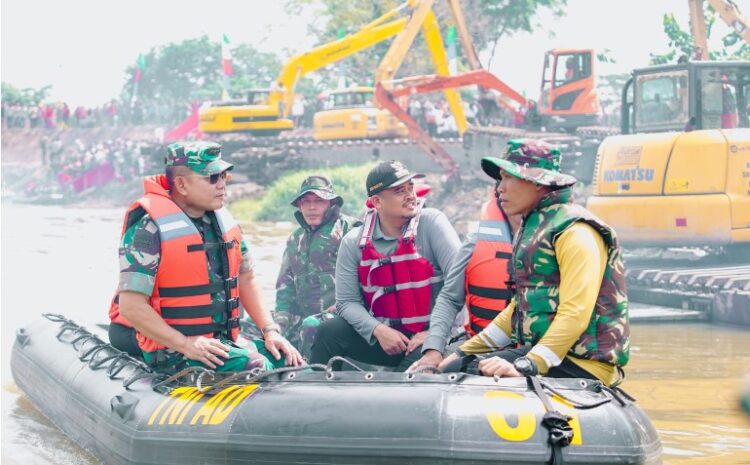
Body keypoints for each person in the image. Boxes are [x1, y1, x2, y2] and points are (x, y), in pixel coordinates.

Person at [440, 139, 630, 387]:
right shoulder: (533, 228)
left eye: (509, 178)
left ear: (539, 184)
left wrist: (527, 365)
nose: (500, 189)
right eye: (500, 179)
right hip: (548, 356)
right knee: (460, 369)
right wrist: (460, 354)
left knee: (477, 378)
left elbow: (576, 313)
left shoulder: (576, 232)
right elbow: (518, 309)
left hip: (582, 364)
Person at [108, 141, 303, 372]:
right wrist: (186, 345)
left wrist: (270, 331)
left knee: (290, 361)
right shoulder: (147, 230)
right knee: (258, 365)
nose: (222, 185)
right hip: (173, 351)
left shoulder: (224, 223)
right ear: (181, 184)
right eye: (212, 178)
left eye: (224, 176)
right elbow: (131, 306)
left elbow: (246, 278)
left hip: (220, 342)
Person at [310, 160, 461, 370]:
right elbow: (346, 302)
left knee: (409, 370)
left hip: (432, 336)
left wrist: (434, 336)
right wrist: (378, 330)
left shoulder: (432, 224)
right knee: (329, 332)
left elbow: (460, 286)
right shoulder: (354, 242)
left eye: (411, 187)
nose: (410, 195)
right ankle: (317, 392)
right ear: (377, 202)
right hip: (387, 337)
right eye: (400, 191)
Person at [408, 187, 518, 372]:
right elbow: (450, 299)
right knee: (420, 368)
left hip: (531, 349)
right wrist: (434, 348)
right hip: (478, 342)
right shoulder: (476, 241)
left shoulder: (553, 241)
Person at [274, 175, 361, 358]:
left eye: (318, 201)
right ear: (299, 206)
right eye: (305, 202)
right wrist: (278, 322)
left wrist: (344, 306)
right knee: (256, 325)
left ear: (331, 203)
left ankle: (308, 376)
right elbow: (285, 287)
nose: (311, 207)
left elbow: (369, 281)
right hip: (304, 316)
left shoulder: (351, 231)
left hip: (344, 316)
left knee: (311, 325)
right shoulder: (295, 239)